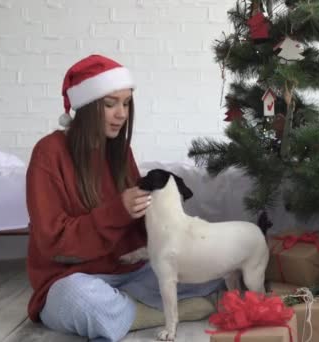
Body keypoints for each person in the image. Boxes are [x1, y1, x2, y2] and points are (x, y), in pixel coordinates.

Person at [25, 54, 224, 341]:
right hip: (72, 279)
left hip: (129, 273)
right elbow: (52, 242)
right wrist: (118, 210)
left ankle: (128, 310)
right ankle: (157, 314)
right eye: (110, 104)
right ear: (86, 107)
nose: (122, 113)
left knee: (211, 270)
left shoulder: (119, 151)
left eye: (127, 103)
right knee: (79, 300)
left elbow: (140, 234)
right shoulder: (48, 153)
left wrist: (163, 214)